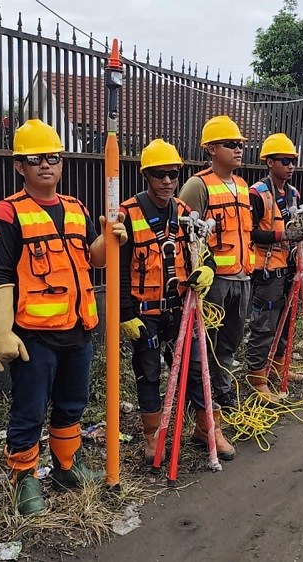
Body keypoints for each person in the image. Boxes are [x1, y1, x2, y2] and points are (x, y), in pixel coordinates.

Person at [0, 119, 126, 515]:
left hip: (78, 330)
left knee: (72, 403)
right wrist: (1, 332)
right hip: (34, 337)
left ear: (61, 164)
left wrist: (108, 240)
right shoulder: (5, 215)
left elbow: (89, 260)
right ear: (19, 166)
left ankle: (66, 465)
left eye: (53, 158)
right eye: (35, 158)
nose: (45, 165)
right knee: (29, 408)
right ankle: (24, 476)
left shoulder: (77, 209)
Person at [118, 139, 232, 464]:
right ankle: (153, 438)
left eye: (173, 174)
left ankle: (208, 429)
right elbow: (119, 271)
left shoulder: (186, 214)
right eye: (159, 175)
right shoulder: (128, 214)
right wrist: (126, 313)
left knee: (198, 369)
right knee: (149, 373)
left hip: (183, 310)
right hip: (146, 313)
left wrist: (207, 272)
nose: (167, 181)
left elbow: (207, 256)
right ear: (146, 176)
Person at [177, 115, 254, 422]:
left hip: (241, 277)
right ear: (210, 149)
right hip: (213, 281)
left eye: (240, 145)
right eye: (230, 144)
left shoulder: (243, 186)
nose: (238, 149)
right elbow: (185, 233)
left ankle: (220, 391)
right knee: (204, 344)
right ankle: (198, 401)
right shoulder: (198, 186)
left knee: (230, 342)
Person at [245, 133, 303, 402]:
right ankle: (257, 378)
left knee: (287, 320)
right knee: (265, 324)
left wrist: (301, 236)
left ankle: (276, 366)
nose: (291, 165)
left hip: (289, 266)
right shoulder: (257, 194)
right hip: (267, 270)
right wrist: (283, 237)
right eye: (285, 160)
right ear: (269, 162)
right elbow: (248, 233)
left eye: (293, 160)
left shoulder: (293, 194)